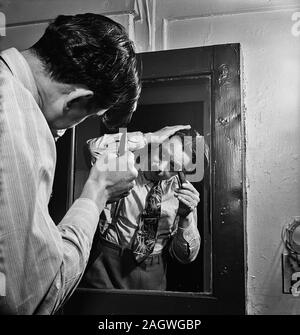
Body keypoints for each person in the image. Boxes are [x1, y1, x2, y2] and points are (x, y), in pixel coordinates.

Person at [0, 13, 143, 315]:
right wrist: (97, 192)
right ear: (76, 101)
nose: (63, 131)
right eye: (86, 116)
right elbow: (33, 298)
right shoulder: (18, 124)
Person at [80, 128, 202, 290]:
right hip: (105, 265)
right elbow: (93, 148)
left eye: (173, 166)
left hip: (152, 274)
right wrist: (148, 136)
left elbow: (186, 257)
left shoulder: (184, 194)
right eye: (162, 155)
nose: (160, 168)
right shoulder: (123, 165)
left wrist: (186, 217)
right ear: (157, 144)